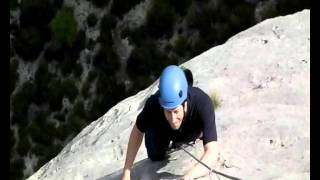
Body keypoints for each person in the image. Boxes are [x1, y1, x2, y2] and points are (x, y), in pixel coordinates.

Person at [121, 65, 218, 180]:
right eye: (168, 111)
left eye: (176, 111)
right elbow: (138, 130)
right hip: (162, 129)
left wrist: (188, 176)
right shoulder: (153, 104)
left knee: (194, 134)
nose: (172, 118)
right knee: (155, 155)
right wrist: (126, 172)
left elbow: (212, 152)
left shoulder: (202, 103)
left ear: (185, 103)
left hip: (189, 130)